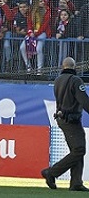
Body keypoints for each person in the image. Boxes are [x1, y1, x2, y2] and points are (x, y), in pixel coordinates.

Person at [41, 57, 89, 191]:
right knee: (79, 150)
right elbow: (84, 101)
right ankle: (51, 172)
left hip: (62, 118)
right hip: (71, 120)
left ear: (63, 67)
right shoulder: (75, 80)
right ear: (74, 67)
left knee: (77, 150)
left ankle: (76, 183)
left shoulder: (58, 80)